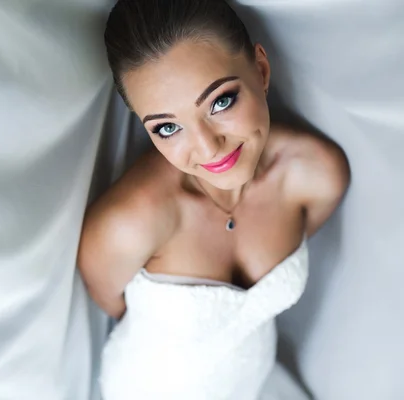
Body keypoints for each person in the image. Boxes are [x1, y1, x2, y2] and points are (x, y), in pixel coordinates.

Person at [77, 0, 350, 398]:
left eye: (220, 102)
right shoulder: (129, 223)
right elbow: (111, 304)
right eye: (168, 128)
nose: (207, 148)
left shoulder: (317, 173)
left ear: (261, 70)